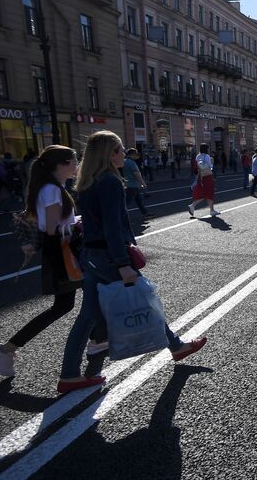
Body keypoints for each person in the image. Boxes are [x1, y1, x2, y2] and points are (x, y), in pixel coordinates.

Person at [58, 131, 206, 393]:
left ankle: (69, 374)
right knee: (144, 300)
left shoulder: (87, 182)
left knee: (87, 316)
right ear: (109, 154)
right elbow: (113, 227)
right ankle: (176, 346)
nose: (124, 154)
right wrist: (122, 263)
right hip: (108, 257)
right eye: (119, 150)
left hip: (91, 255)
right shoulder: (111, 182)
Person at [0, 146, 94, 377]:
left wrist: (74, 219)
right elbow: (53, 228)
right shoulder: (52, 190)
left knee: (69, 303)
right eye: (74, 161)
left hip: (60, 249)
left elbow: (52, 222)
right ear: (61, 165)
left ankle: (5, 350)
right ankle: (4, 350)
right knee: (81, 299)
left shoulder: (52, 187)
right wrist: (78, 225)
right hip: (62, 250)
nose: (77, 165)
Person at [189, 144, 219, 217]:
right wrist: (212, 162)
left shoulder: (198, 156)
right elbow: (210, 166)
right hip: (207, 176)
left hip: (201, 176)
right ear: (206, 149)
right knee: (210, 192)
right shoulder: (207, 156)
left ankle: (193, 205)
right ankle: (211, 210)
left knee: (203, 192)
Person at [123, 148, 151, 218]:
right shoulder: (132, 163)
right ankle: (120, 216)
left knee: (139, 200)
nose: (137, 156)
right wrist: (143, 184)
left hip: (126, 184)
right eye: (136, 154)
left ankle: (146, 213)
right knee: (126, 202)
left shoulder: (124, 161)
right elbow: (137, 174)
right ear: (133, 154)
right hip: (132, 186)